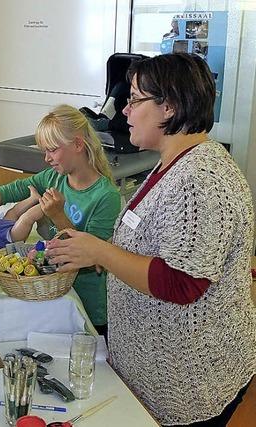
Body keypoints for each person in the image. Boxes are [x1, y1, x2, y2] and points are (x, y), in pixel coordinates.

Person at [45, 53, 256, 426]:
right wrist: (93, 250)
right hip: (160, 369)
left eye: (135, 99)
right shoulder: (174, 162)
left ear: (169, 106)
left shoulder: (198, 178)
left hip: (191, 380)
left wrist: (101, 251)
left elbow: (182, 282)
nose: (124, 111)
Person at [0, 104, 121, 332]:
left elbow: (93, 258)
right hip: (51, 293)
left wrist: (58, 215)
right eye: (44, 151)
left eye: (52, 150)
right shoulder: (53, 177)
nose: (47, 158)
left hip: (85, 304)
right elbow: (11, 190)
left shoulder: (105, 196)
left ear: (78, 145)